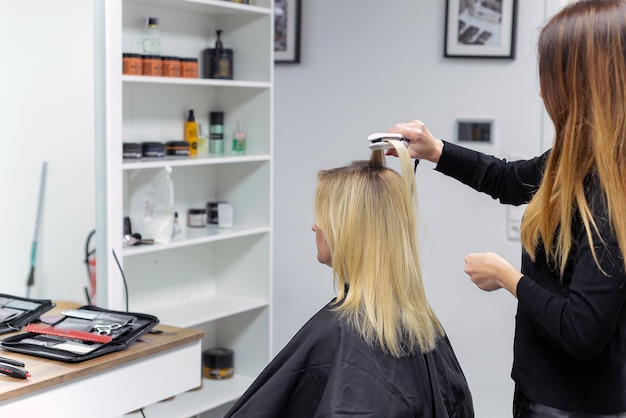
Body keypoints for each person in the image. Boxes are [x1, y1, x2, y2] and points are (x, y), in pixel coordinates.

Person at [388, 1, 626, 416]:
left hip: (576, 406)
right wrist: (436, 151)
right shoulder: (576, 159)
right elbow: (510, 180)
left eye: (549, 77)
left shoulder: (612, 188)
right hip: (542, 389)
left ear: (584, 83)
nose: (540, 90)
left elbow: (581, 329)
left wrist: (506, 277)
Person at [224, 142, 474, 417]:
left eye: (323, 215)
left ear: (348, 230)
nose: (314, 225)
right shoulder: (423, 323)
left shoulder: (344, 333)